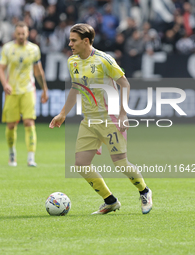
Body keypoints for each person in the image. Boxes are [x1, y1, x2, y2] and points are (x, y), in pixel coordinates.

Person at [49, 23, 153, 215]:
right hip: (88, 121)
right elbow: (75, 88)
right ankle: (110, 201)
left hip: (109, 118)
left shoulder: (104, 60)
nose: (70, 43)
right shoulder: (72, 61)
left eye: (73, 40)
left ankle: (144, 191)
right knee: (81, 164)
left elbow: (125, 84)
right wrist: (63, 113)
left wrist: (123, 113)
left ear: (86, 41)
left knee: (120, 163)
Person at [0, 21, 48, 167]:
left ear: (27, 33)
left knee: (29, 121)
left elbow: (38, 71)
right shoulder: (7, 48)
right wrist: (5, 84)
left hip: (28, 90)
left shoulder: (34, 49)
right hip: (12, 91)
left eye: (23, 33)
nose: (21, 36)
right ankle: (12, 154)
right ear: (15, 34)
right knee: (11, 125)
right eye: (18, 33)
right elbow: (1, 69)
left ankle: (31, 158)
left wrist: (44, 89)